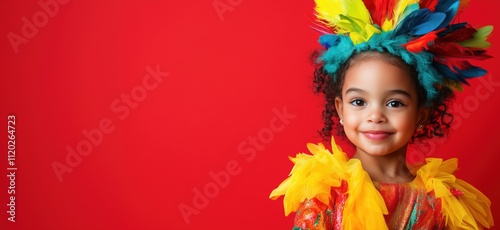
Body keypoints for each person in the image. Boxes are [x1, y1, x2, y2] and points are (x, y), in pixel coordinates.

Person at [269, 0, 494, 229]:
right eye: (359, 101)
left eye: (394, 103)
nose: (375, 115)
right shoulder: (326, 194)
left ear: (421, 115)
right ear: (341, 109)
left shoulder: (441, 202)